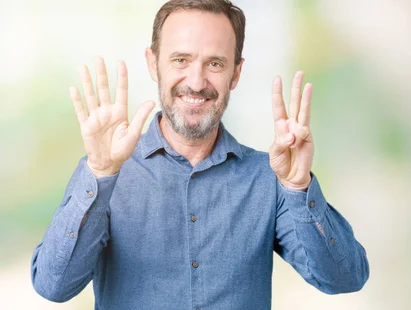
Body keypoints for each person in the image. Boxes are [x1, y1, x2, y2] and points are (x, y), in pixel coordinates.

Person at [31, 0, 369, 309]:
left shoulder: (268, 177)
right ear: (153, 63)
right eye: (181, 59)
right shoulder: (106, 173)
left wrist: (297, 187)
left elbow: (344, 279)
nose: (196, 81)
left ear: (236, 73)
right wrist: (101, 172)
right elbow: (53, 286)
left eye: (215, 64)